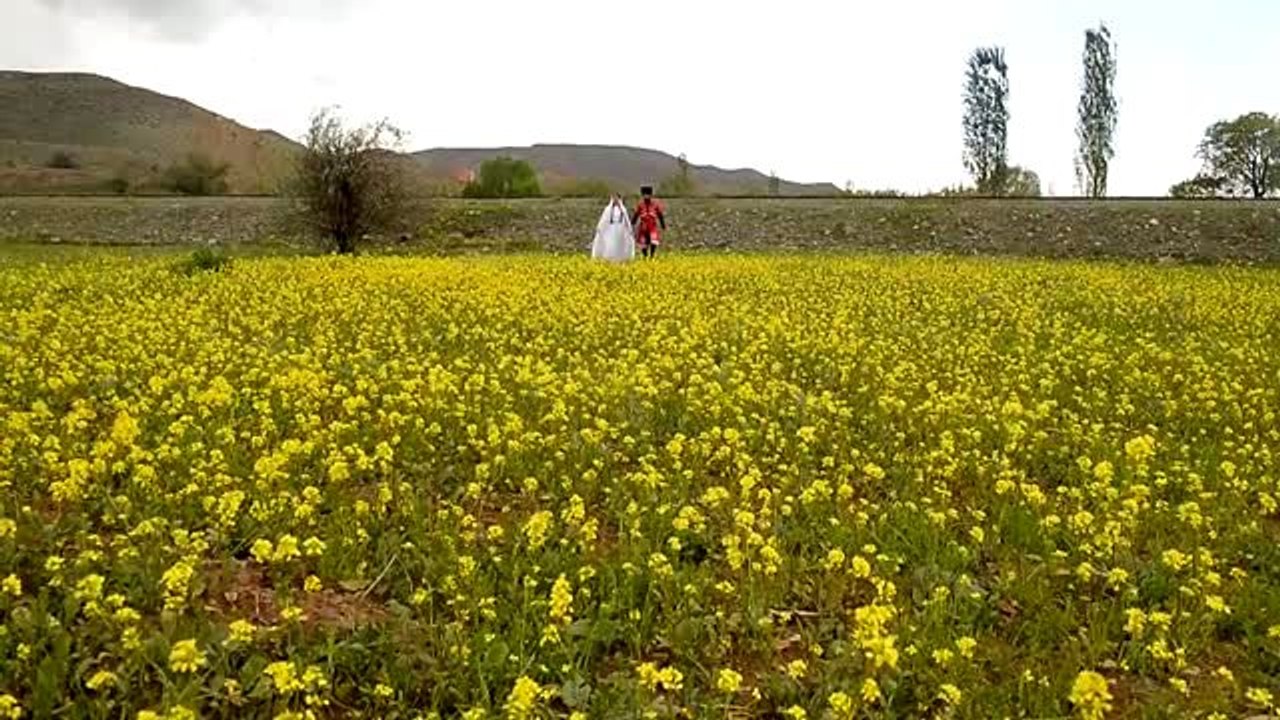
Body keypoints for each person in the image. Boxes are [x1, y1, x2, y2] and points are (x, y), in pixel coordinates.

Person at [591, 193, 635, 262]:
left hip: (620, 230)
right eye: (614, 198)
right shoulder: (608, 209)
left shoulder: (623, 210)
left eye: (617, 198)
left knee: (619, 246)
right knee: (610, 244)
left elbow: (626, 220)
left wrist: (629, 230)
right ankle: (609, 259)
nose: (616, 200)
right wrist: (600, 228)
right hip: (610, 230)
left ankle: (620, 259)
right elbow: (604, 219)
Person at [631, 186, 666, 258]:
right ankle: (645, 256)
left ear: (650, 195)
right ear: (643, 195)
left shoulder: (655, 204)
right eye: (645, 195)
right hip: (643, 226)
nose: (646, 196)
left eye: (648, 195)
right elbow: (636, 215)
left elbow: (660, 215)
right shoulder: (640, 205)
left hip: (652, 226)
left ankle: (652, 255)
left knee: (654, 241)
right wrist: (632, 223)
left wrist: (663, 225)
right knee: (643, 243)